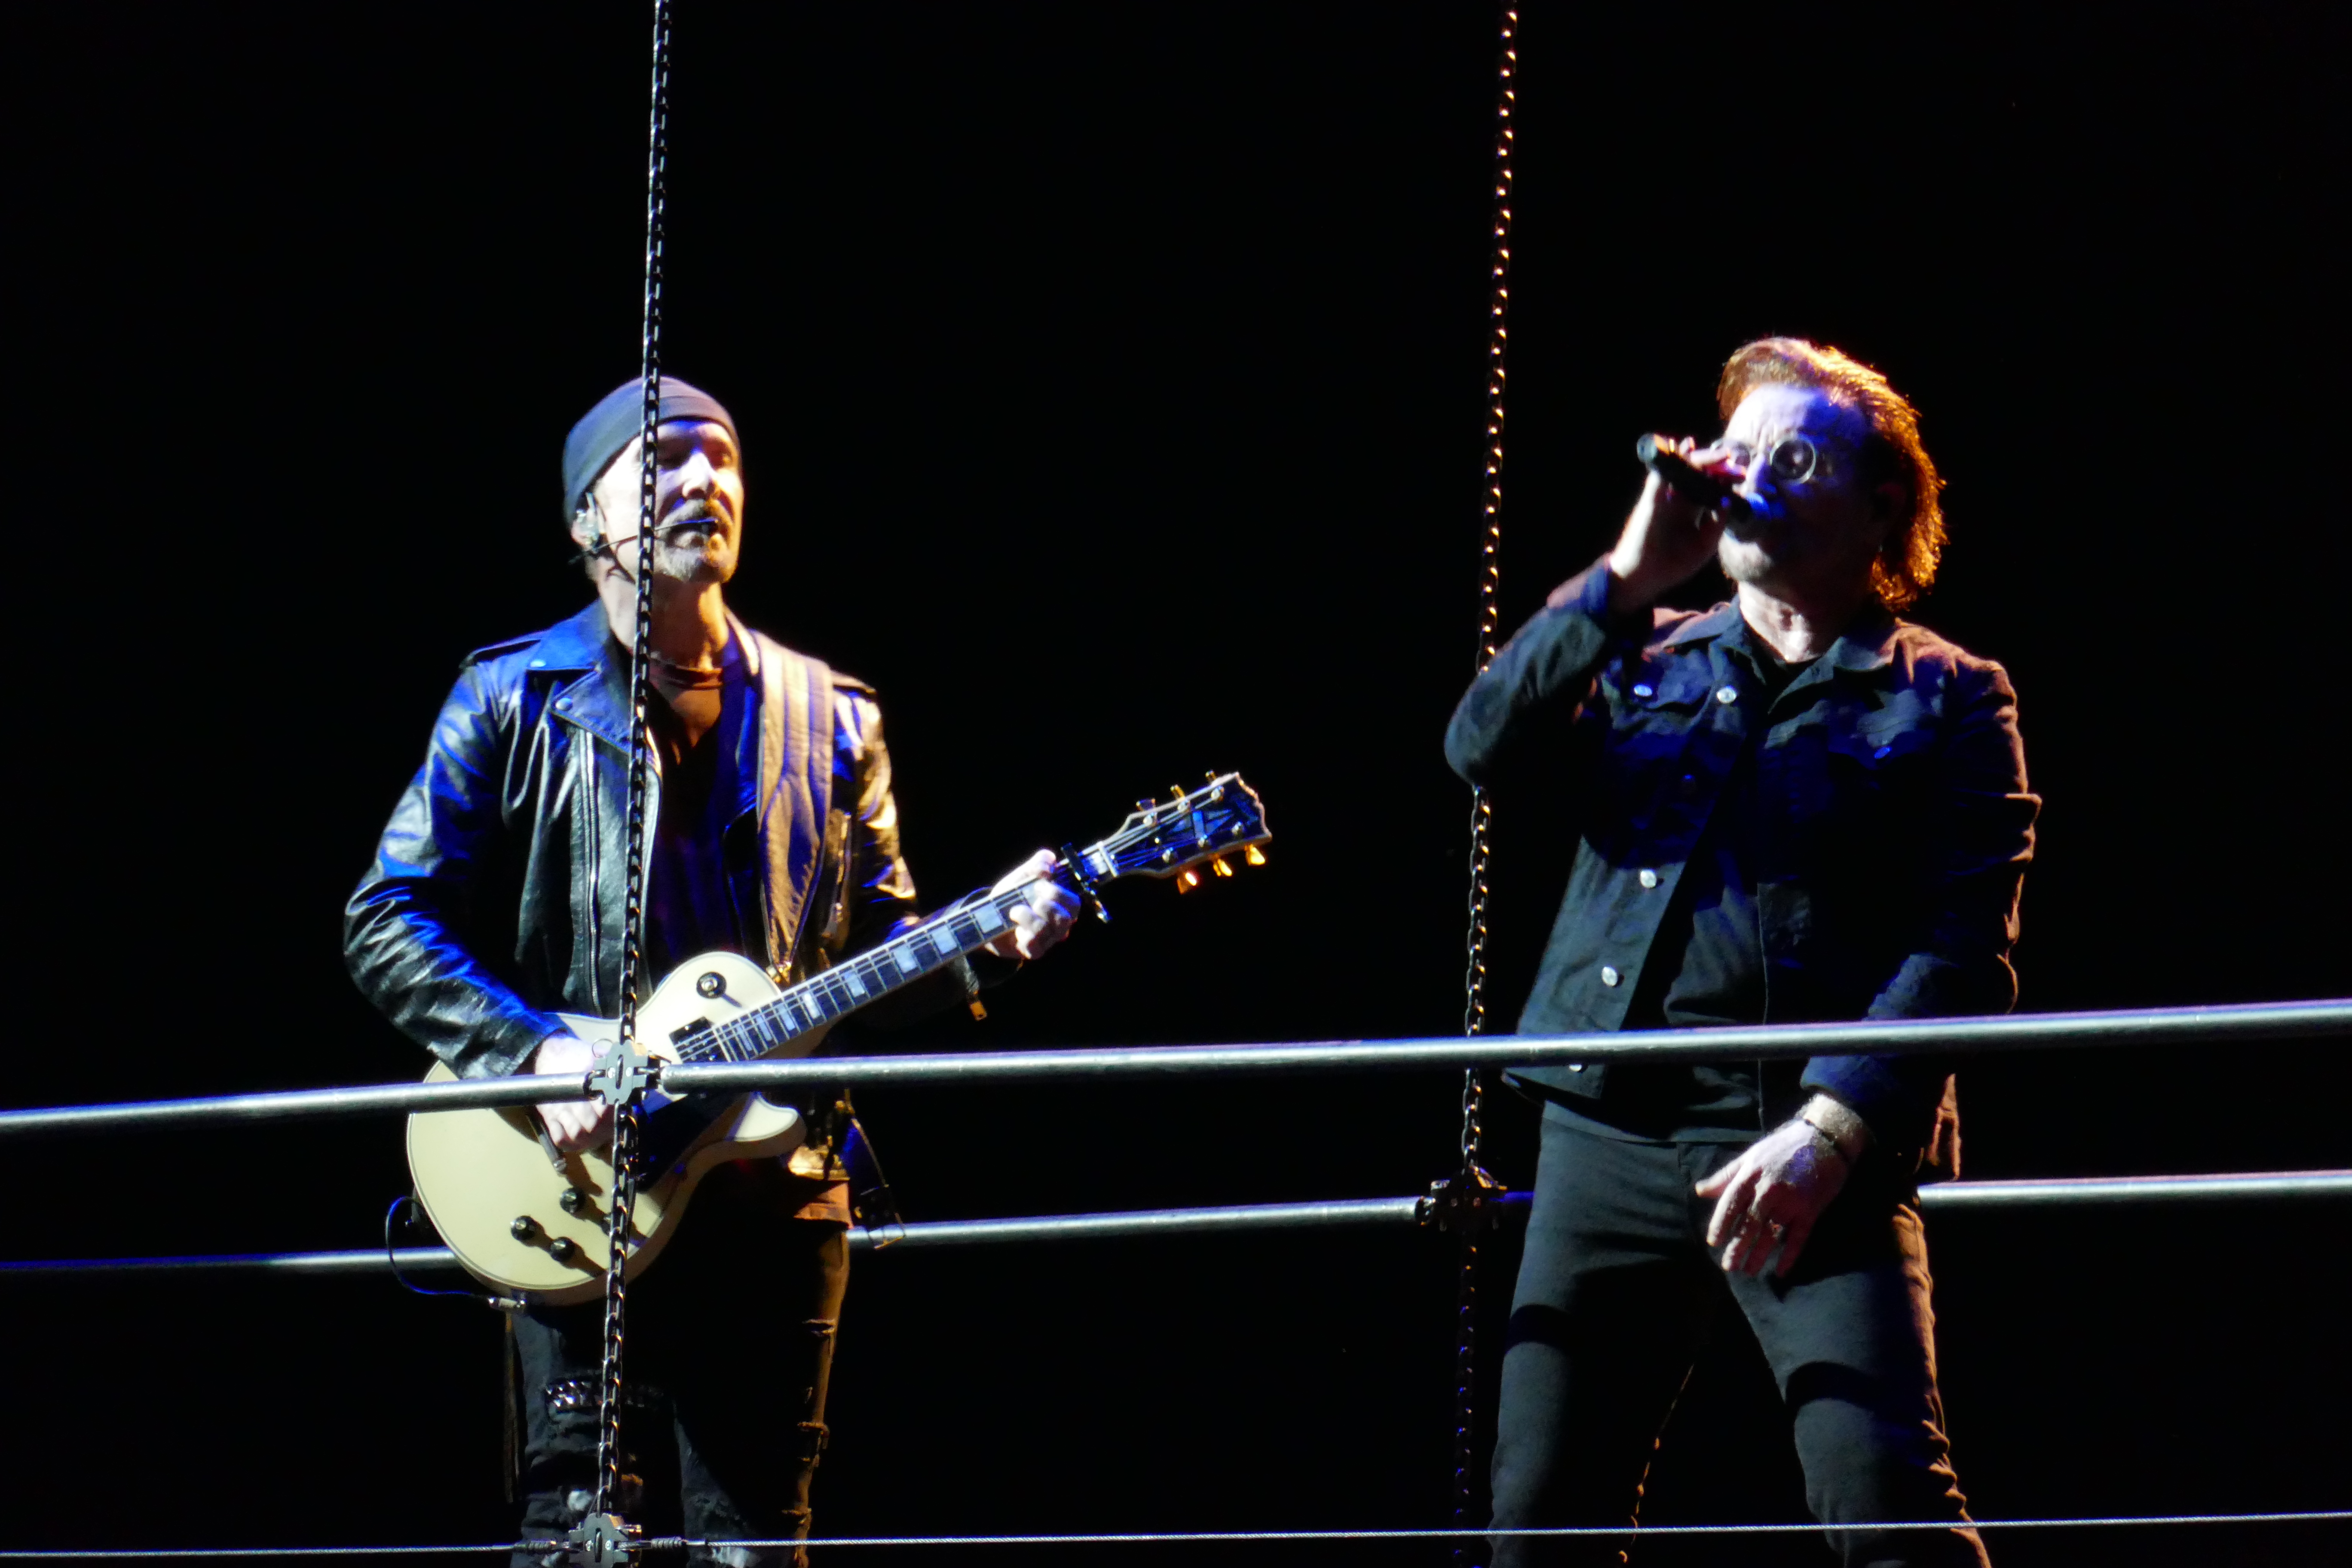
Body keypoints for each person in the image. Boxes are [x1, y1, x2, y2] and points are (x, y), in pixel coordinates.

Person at [345, 376, 1076, 1568]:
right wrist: (536, 1051)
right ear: (587, 518)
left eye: (722, 458)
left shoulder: (832, 715)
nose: (705, 480)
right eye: (666, 458)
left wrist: (983, 942)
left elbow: (877, 963)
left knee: (757, 1549)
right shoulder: (510, 695)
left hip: (772, 1196)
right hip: (576, 1178)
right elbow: (384, 921)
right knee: (574, 1544)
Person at [1445, 339, 2036, 1567]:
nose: (1750, 478)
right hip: (1609, 1133)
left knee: (1887, 1506)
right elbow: (1480, 748)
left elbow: (1963, 946)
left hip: (1810, 1144)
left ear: (1880, 505)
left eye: (1796, 457)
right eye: (1736, 452)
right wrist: (1623, 578)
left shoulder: (1951, 695)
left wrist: (1832, 1133)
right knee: (1539, 1526)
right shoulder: (1644, 653)